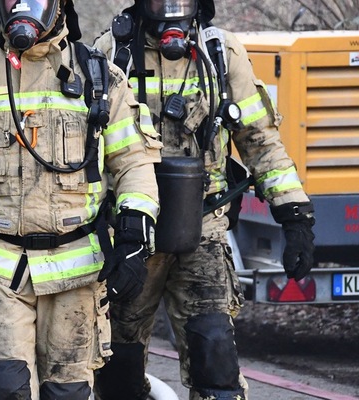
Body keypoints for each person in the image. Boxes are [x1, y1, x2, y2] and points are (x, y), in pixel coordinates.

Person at [0, 0, 163, 398]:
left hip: (77, 274)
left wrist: (134, 237)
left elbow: (134, 164)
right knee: (4, 388)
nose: (23, 6)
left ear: (59, 6)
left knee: (68, 393)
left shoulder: (99, 77)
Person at [92, 1, 316, 399]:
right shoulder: (111, 52)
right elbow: (84, 150)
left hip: (203, 227)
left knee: (214, 352)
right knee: (117, 368)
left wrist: (294, 215)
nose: (171, 10)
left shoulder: (220, 54)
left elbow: (260, 139)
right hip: (131, 237)